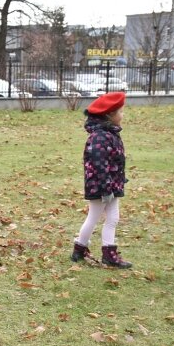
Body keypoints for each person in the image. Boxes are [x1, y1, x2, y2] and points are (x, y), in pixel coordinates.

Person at [71, 92, 132, 268]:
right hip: (102, 187)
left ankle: (106, 253)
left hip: (111, 185)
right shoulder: (100, 137)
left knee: (113, 218)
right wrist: (106, 189)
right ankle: (80, 248)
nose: (122, 115)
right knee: (94, 217)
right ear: (109, 115)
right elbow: (99, 164)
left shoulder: (110, 134)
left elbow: (114, 161)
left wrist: (119, 179)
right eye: (120, 112)